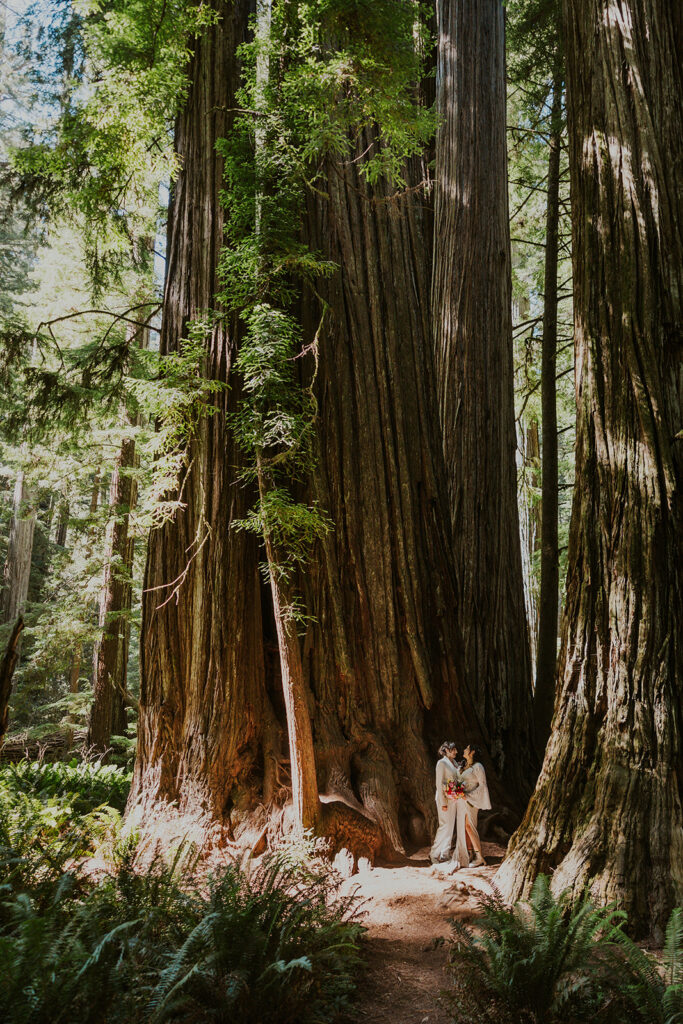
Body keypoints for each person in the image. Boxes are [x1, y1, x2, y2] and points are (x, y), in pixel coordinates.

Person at [452, 743, 491, 869]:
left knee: (470, 826)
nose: (463, 750)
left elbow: (482, 785)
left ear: (472, 752)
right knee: (464, 827)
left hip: (472, 800)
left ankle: (479, 857)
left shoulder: (478, 766)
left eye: (466, 748)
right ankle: (469, 853)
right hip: (462, 800)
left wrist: (468, 796)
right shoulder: (464, 766)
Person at [430, 741, 460, 863]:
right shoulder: (441, 763)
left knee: (451, 826)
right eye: (453, 750)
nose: (456, 752)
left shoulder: (455, 763)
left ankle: (445, 853)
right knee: (444, 825)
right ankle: (433, 853)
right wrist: (443, 802)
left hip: (453, 798)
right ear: (447, 750)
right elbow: (439, 783)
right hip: (444, 798)